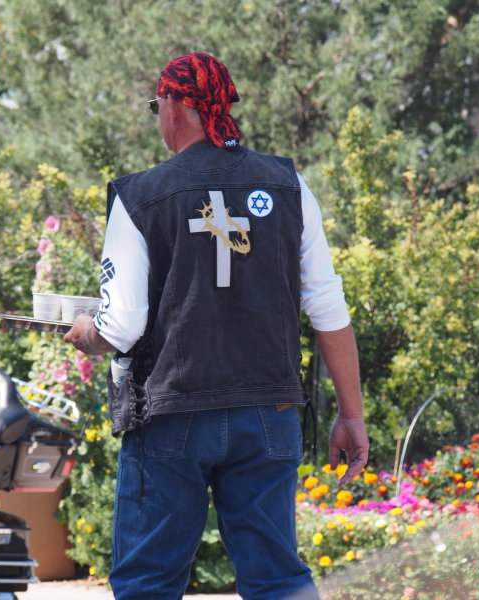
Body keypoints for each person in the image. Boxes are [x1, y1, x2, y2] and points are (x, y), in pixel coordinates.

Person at [64, 52, 369, 600]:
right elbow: (329, 309)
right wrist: (351, 415)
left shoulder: (138, 197)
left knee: (148, 583)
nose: (158, 116)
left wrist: (87, 331)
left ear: (177, 108)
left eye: (157, 105)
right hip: (268, 414)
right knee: (277, 578)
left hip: (170, 417)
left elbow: (122, 327)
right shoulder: (290, 187)